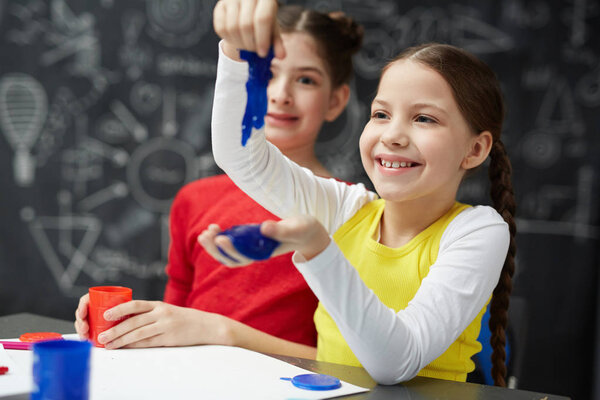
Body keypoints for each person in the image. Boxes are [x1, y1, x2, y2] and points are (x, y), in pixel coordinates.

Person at [200, 0, 516, 387]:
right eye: (381, 114)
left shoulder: (478, 230)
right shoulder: (345, 210)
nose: (392, 135)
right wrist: (238, 54)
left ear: (476, 149)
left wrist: (319, 250)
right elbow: (241, 156)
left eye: (424, 118)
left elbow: (395, 364)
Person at [74, 4, 363, 359]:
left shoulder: (354, 212)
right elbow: (179, 314)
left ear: (335, 101)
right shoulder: (194, 199)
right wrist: (130, 321)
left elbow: (343, 359)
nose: (280, 93)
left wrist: (222, 332)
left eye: (306, 80)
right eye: (267, 73)